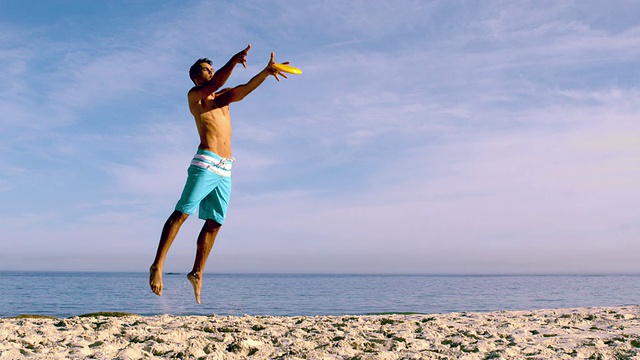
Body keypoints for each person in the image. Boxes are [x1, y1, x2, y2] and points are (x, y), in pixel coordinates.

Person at [149, 44, 289, 304]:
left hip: (226, 168)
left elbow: (243, 90)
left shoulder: (222, 98)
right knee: (182, 213)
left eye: (212, 69)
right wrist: (233, 61)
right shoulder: (196, 96)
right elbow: (216, 84)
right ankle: (157, 265)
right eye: (206, 70)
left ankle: (197, 272)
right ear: (195, 77)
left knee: (215, 223)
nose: (211, 73)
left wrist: (266, 72)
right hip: (205, 162)